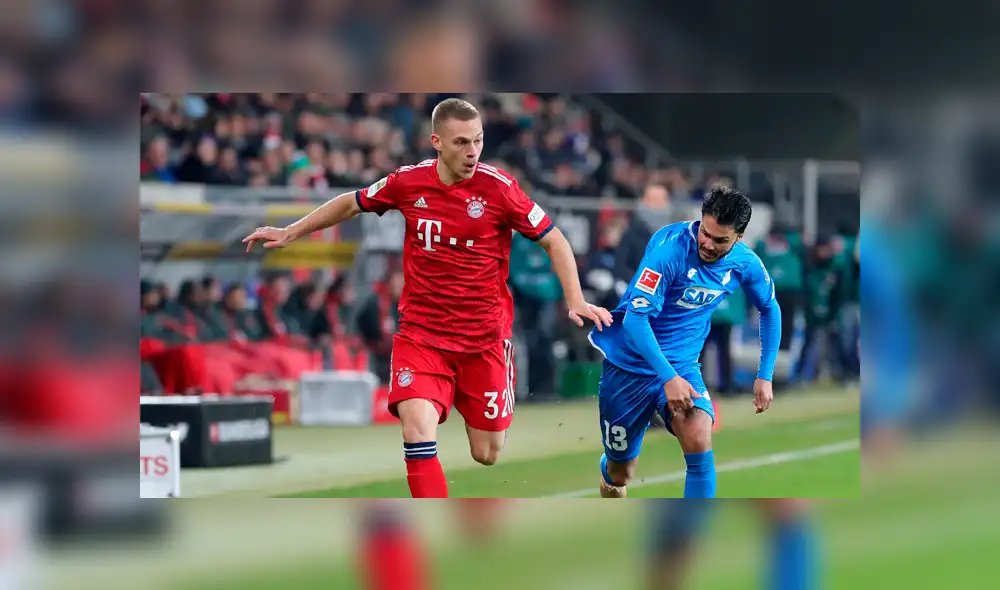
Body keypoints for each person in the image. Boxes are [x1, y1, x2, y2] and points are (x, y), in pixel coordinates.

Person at [244, 97, 612, 498]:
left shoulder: (500, 189)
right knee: (415, 428)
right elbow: (352, 202)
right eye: (461, 143)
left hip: (483, 340)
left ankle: (470, 399)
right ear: (436, 141)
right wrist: (290, 231)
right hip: (422, 336)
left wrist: (574, 300)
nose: (472, 152)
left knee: (487, 452)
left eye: (478, 141)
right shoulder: (408, 182)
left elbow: (555, 240)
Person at [589, 186, 781, 498]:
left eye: (720, 240)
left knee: (698, 436)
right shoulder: (670, 252)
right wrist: (668, 378)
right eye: (705, 232)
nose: (708, 243)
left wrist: (765, 374)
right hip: (629, 366)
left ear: (739, 238)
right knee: (620, 474)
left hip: (682, 365)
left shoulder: (746, 263)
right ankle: (611, 470)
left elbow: (769, 308)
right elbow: (636, 321)